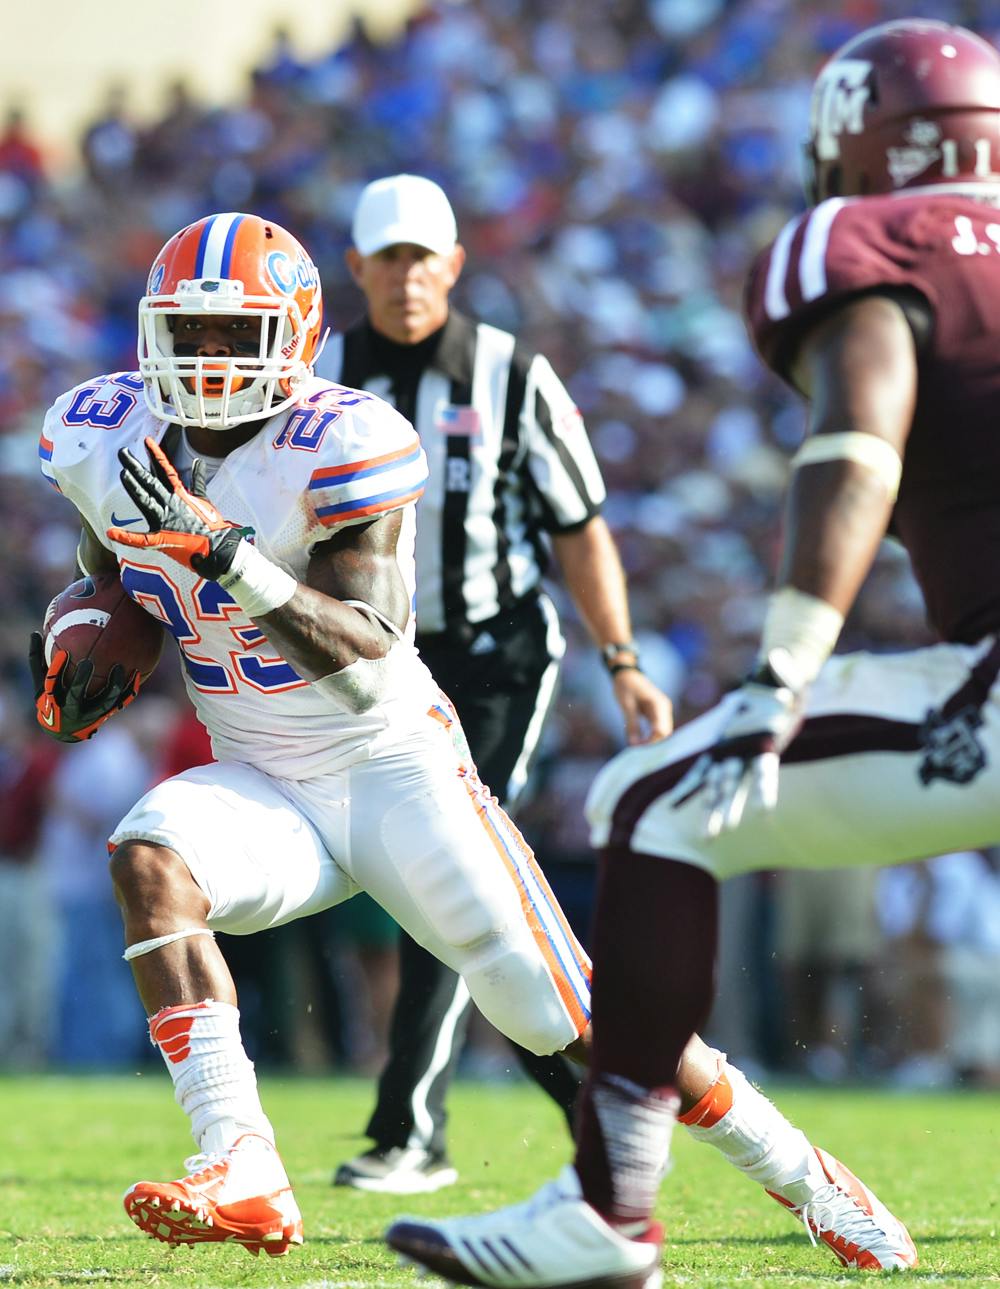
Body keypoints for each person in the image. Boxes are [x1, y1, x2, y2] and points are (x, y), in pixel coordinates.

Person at [32, 211, 910, 1268]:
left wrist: (224, 552)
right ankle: (245, 1166)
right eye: (191, 333)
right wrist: (83, 642)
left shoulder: (343, 438)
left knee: (577, 1017)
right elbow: (110, 572)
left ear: (297, 335)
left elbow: (363, 654)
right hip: (260, 775)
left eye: (236, 333)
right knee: (148, 858)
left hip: (393, 769)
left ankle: (804, 1172)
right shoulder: (100, 433)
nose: (210, 359)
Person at [385, 15, 1000, 1281]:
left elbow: (857, 442)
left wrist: (782, 668)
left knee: (656, 798)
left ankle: (607, 1213)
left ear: (853, 142)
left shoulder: (867, 243)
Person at [317, 172, 673, 1193]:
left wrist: (624, 660)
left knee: (448, 861)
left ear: (454, 265)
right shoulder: (323, 373)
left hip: (495, 652)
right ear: (357, 267)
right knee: (438, 876)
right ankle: (592, 1093)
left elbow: (579, 526)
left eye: (420, 256)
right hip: (369, 656)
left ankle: (410, 1127)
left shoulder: (513, 374)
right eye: (386, 257)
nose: (404, 276)